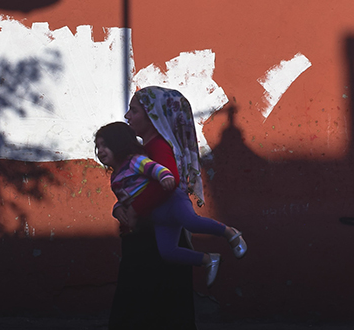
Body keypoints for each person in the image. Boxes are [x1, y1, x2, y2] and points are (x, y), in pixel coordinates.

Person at [88, 87, 231, 330]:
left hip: (151, 245)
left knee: (141, 316)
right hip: (151, 240)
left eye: (135, 110)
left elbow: (166, 186)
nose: (128, 116)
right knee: (163, 317)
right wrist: (122, 209)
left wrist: (133, 212)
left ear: (154, 115)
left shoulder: (159, 147)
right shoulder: (147, 146)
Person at [94, 121, 245, 286]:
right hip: (158, 217)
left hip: (172, 201)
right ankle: (208, 259)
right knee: (167, 252)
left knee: (192, 222)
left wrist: (164, 176)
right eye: (98, 146)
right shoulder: (115, 177)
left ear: (118, 144)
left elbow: (155, 168)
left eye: (105, 145)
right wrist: (117, 209)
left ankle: (230, 233)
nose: (100, 150)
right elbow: (124, 198)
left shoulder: (134, 161)